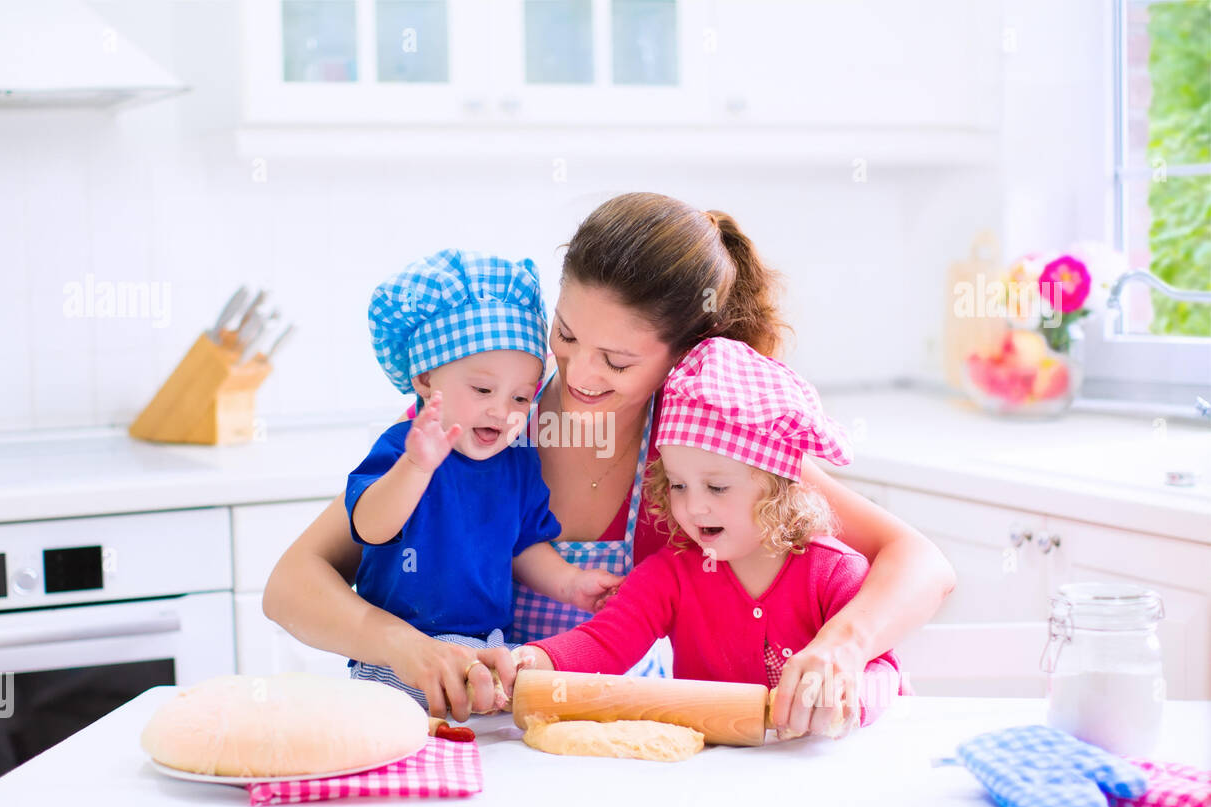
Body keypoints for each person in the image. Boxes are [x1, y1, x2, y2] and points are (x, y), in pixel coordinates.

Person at [263, 192, 956, 729]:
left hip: (625, 755)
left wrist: (842, 645)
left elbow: (922, 563)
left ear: (682, 355)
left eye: (617, 360)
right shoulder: (483, 419)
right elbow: (291, 584)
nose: (579, 372)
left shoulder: (702, 450)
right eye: (566, 335)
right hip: (477, 747)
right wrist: (403, 647)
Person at [515, 336, 911, 737]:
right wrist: (530, 664)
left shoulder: (833, 573)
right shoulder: (669, 575)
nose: (693, 507)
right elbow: (603, 643)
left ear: (777, 487)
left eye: (717, 488)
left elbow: (883, 671)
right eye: (678, 485)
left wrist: (847, 698)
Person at [344, 248, 623, 709]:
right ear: (426, 378)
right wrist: (416, 467)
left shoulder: (516, 461)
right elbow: (372, 528)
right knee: (401, 745)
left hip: (486, 647)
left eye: (520, 397)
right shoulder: (403, 446)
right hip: (402, 656)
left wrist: (569, 582)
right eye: (482, 390)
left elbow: (525, 546)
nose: (502, 410)